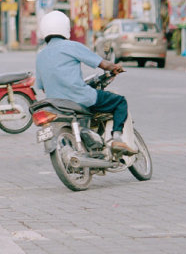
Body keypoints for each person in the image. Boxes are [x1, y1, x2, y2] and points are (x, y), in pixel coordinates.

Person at [35, 10, 137, 156]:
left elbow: (42, 87)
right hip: (79, 98)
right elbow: (103, 64)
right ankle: (116, 138)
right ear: (65, 28)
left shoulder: (40, 55)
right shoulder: (72, 46)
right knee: (120, 102)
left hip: (55, 104)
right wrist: (115, 67)